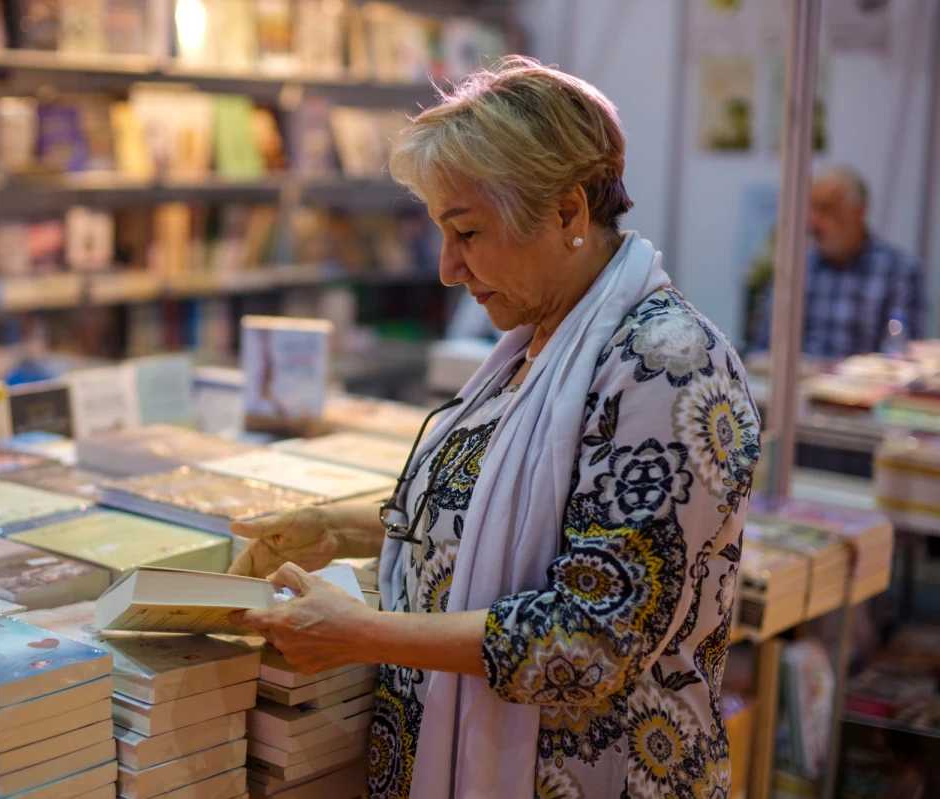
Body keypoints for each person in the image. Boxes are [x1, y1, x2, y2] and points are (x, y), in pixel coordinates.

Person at [227, 57, 761, 799]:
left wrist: (360, 631)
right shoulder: (541, 341)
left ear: (568, 213)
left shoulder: (668, 367)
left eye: (468, 231)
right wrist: (346, 528)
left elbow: (591, 639)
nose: (449, 268)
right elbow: (501, 521)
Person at [752, 166, 926, 357]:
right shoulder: (794, 269)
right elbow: (766, 347)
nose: (813, 220)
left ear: (859, 211)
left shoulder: (899, 271)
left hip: (865, 384)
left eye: (826, 209)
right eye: (811, 208)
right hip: (800, 383)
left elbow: (903, 352)